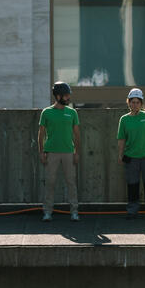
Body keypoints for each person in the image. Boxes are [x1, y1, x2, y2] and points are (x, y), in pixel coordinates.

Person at [38, 81, 80, 222]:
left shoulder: (72, 112)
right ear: (58, 96)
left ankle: (74, 211)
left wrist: (77, 152)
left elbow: (77, 134)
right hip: (51, 152)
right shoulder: (46, 112)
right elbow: (41, 134)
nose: (68, 98)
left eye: (69, 95)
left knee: (71, 182)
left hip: (69, 152)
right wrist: (41, 152)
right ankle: (47, 212)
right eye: (66, 95)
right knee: (50, 182)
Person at [117, 87, 145, 220]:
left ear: (141, 103)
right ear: (128, 102)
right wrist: (120, 155)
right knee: (132, 185)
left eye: (137, 102)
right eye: (132, 102)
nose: (135, 104)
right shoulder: (124, 119)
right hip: (131, 157)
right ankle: (132, 211)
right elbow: (121, 139)